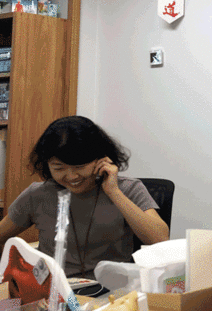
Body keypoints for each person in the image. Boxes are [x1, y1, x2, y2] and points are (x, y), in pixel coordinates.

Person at [0, 116, 169, 278]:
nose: (72, 176)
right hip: (56, 291)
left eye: (80, 166)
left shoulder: (128, 189)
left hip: (111, 290)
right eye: (59, 168)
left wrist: (114, 192)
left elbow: (160, 240)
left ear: (101, 159)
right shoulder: (37, 194)